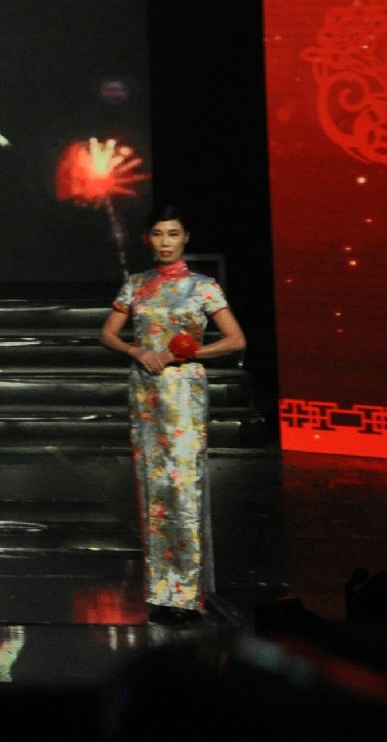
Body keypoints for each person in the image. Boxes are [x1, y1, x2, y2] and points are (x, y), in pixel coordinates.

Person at [98, 205, 245, 624]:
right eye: (159, 234)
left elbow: (235, 340)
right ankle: (162, 593)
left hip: (183, 391)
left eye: (173, 234)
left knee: (182, 488)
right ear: (149, 238)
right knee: (154, 490)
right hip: (145, 391)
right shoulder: (136, 284)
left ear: (186, 238)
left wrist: (189, 352)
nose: (165, 242)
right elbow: (107, 333)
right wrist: (136, 350)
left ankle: (186, 595)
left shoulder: (203, 287)